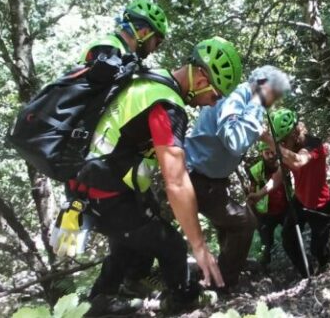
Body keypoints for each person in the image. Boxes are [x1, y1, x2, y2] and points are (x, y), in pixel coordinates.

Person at [68, 36, 242, 315]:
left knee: (128, 246)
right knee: (171, 246)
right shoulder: (168, 105)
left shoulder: (151, 80)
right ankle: (182, 303)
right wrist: (199, 245)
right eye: (215, 95)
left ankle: (102, 298)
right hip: (106, 191)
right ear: (200, 80)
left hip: (92, 183)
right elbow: (175, 180)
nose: (211, 103)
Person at [185, 65, 291, 289]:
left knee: (229, 224)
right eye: (274, 94)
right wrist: (257, 105)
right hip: (195, 178)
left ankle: (224, 270)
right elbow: (234, 140)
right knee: (245, 222)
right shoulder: (237, 96)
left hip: (210, 181)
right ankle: (224, 282)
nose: (274, 101)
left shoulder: (245, 100)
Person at [271, 108, 330, 277]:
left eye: (283, 141)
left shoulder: (314, 144)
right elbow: (280, 175)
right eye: (280, 143)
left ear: (293, 133)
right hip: (299, 201)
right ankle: (306, 273)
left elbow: (299, 161)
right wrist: (260, 194)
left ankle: (325, 268)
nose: (282, 145)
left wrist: (269, 140)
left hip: (320, 204)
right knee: (288, 239)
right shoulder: (288, 152)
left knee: (317, 249)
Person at [80, 0, 167, 66]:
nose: (155, 49)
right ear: (145, 32)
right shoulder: (107, 47)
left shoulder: (122, 52)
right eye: (157, 43)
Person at [246, 142, 288, 266]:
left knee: (292, 234)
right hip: (266, 213)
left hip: (285, 208)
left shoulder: (283, 164)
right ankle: (266, 266)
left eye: (272, 152)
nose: (270, 156)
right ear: (261, 154)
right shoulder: (256, 170)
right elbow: (252, 193)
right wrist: (254, 216)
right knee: (267, 243)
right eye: (267, 153)